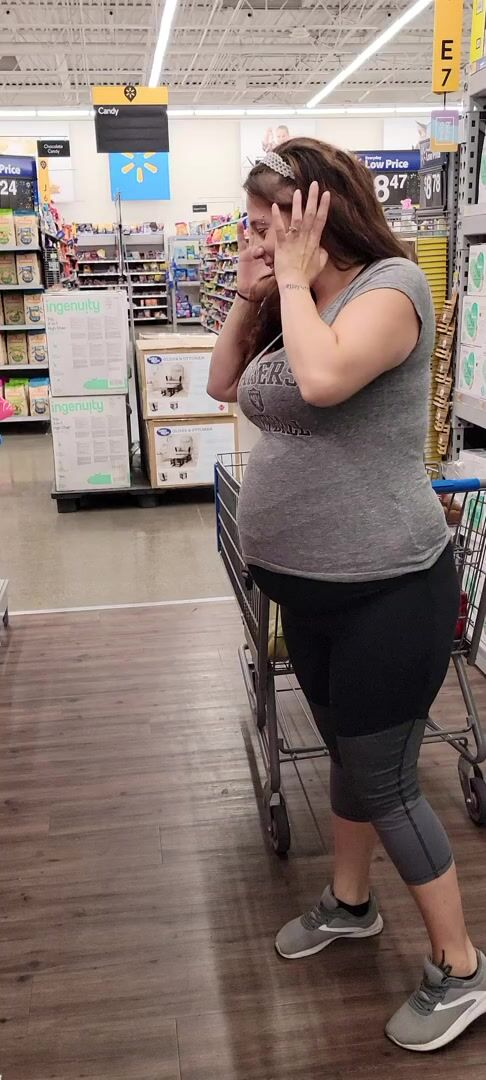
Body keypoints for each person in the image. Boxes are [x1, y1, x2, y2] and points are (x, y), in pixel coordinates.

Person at [208, 137, 486, 1053]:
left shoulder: (390, 291)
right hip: (311, 589)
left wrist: (289, 282)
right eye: (250, 225)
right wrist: (254, 290)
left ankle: (461, 970)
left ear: (317, 217)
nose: (253, 239)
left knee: (387, 779)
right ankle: (352, 902)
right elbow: (223, 383)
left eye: (266, 224)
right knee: (346, 758)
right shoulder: (295, 299)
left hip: (387, 589)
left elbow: (324, 380)